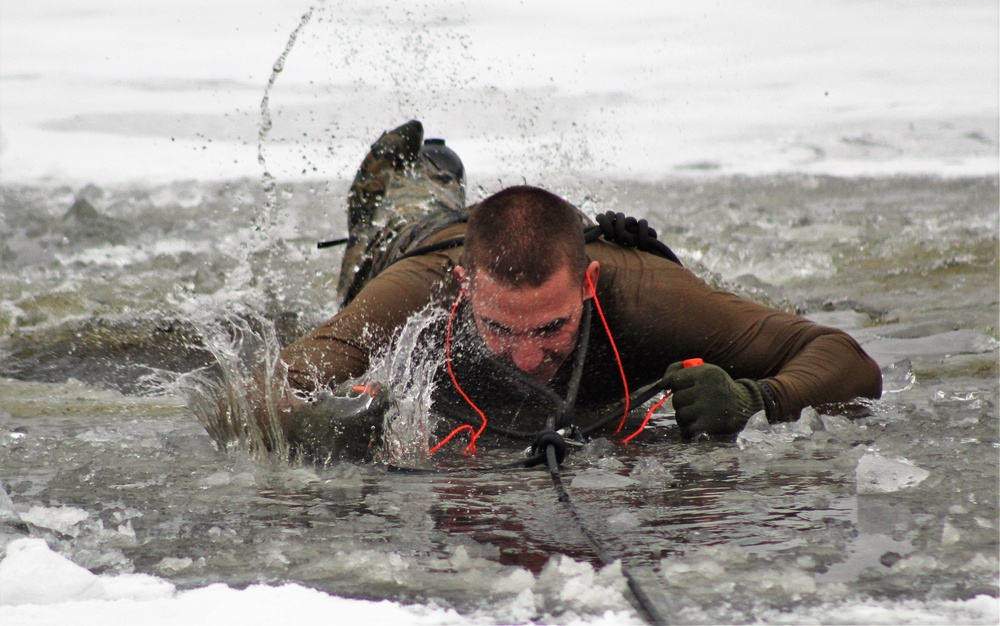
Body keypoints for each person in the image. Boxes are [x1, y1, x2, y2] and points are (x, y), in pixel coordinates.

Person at [272, 120, 882, 459]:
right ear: (465, 288)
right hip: (424, 240)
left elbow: (845, 359)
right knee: (395, 227)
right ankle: (416, 174)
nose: (528, 357)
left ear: (588, 285)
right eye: (500, 329)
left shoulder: (638, 290)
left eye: (551, 327)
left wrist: (757, 398)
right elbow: (265, 388)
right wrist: (314, 421)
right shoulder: (422, 291)